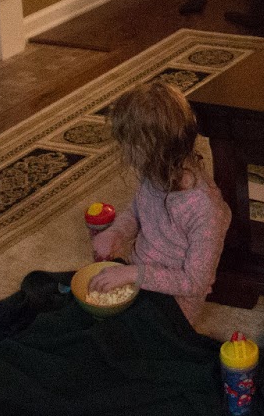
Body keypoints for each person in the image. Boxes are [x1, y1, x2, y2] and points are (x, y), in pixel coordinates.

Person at [89, 81, 231, 327]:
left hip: (172, 305)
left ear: (154, 149)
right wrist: (116, 232)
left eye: (129, 145)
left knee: (102, 336)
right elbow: (138, 211)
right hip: (138, 277)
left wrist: (133, 274)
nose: (125, 153)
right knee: (67, 301)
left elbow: (195, 282)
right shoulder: (155, 172)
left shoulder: (205, 208)